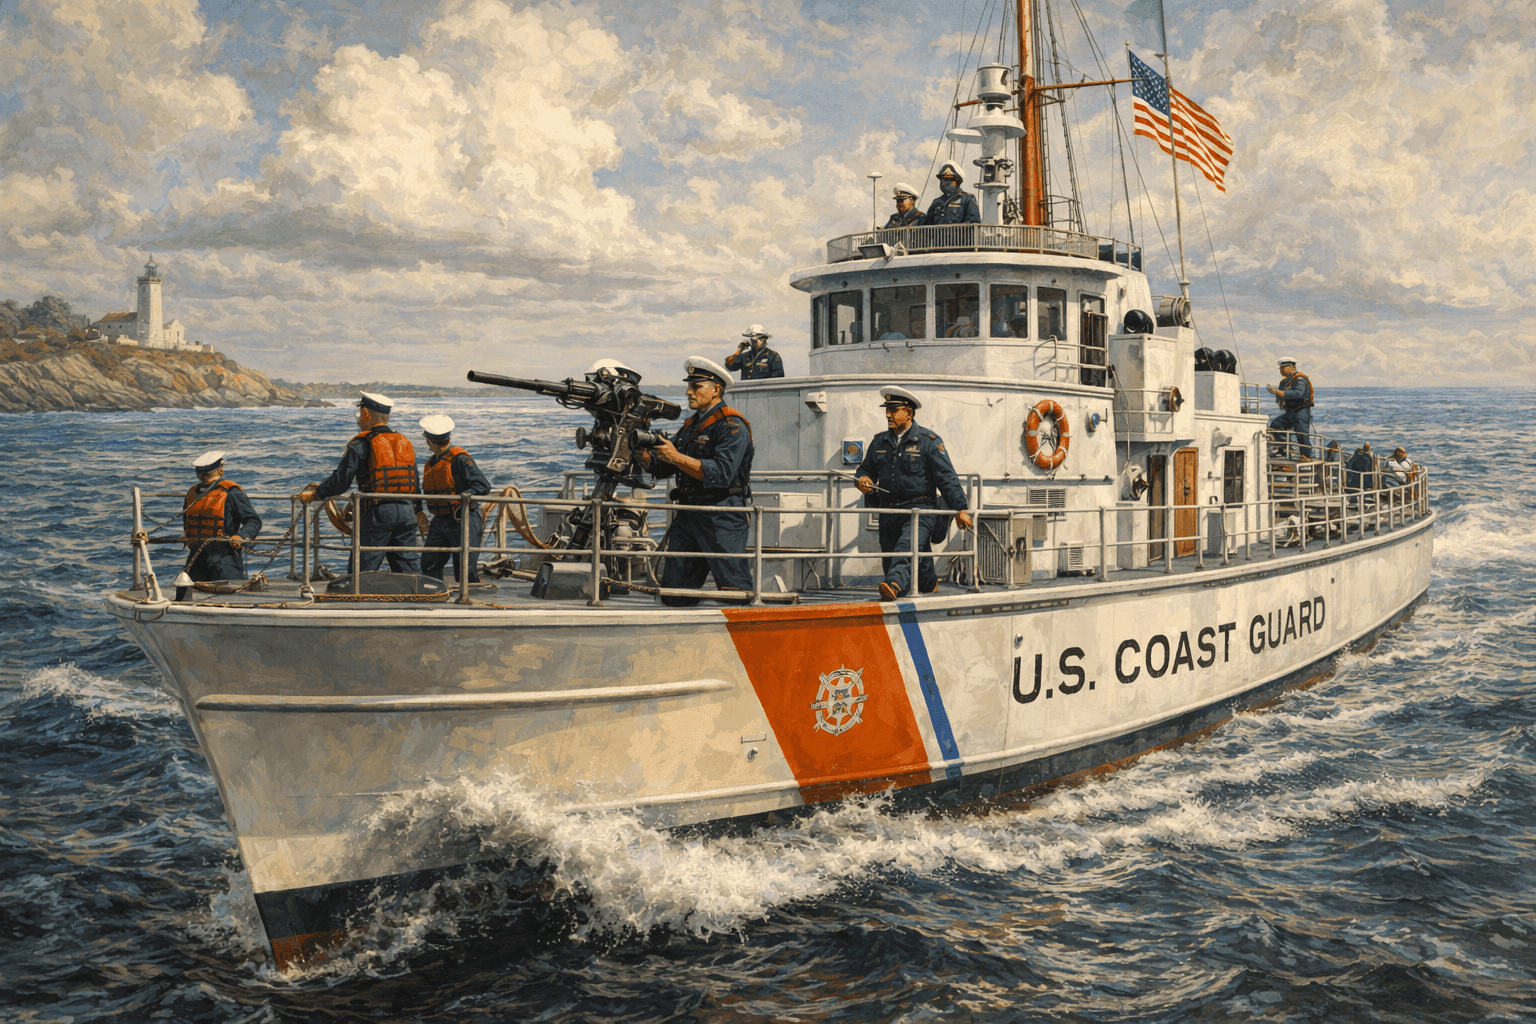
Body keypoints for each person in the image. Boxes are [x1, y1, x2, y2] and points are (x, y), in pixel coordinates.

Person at [638, 356, 755, 606]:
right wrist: (642, 452)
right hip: (689, 514)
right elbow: (666, 466)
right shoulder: (692, 425)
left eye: (696, 386)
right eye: (689, 386)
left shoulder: (731, 426)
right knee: (676, 592)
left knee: (734, 590)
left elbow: (722, 473)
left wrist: (677, 456)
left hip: (721, 514)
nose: (688, 392)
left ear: (716, 390)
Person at [854, 387, 973, 600]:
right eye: (887, 410)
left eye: (894, 410)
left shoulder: (929, 441)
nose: (888, 414)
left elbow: (947, 478)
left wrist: (960, 509)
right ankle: (928, 583)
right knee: (893, 557)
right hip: (888, 509)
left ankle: (894, 584)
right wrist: (864, 480)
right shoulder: (879, 442)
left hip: (920, 509)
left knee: (906, 547)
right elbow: (866, 469)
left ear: (909, 413)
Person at [298, 392, 422, 574]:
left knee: (361, 571)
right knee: (409, 570)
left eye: (360, 412)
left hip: (378, 515)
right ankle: (418, 598)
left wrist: (318, 494)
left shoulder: (361, 443)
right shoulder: (404, 442)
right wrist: (418, 512)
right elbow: (415, 486)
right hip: (406, 513)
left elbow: (340, 482)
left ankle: (356, 597)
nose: (358, 418)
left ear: (366, 414)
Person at [418, 414, 492, 584]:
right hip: (441, 520)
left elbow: (483, 485)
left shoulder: (460, 459)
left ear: (429, 441)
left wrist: (465, 496)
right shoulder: (432, 462)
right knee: (430, 562)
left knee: (465, 568)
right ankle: (434, 594)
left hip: (463, 519)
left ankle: (470, 600)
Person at [182, 450, 262, 582]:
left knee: (231, 589)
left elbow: (253, 521)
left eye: (206, 473)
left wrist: (241, 536)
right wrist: (186, 535)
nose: (203, 477)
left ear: (220, 470)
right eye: (200, 473)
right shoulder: (192, 493)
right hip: (196, 554)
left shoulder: (231, 492)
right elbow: (187, 520)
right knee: (186, 587)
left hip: (224, 554)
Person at [1266, 357, 1315, 459]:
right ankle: (1283, 449)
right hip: (1290, 412)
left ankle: (1306, 455)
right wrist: (1276, 393)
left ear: (1291, 367)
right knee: (1277, 424)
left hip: (1301, 411)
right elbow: (1281, 395)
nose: (1281, 371)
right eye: (1280, 368)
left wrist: (1278, 392)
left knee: (1301, 433)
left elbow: (1298, 394)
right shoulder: (1284, 382)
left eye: (1282, 368)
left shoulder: (1300, 379)